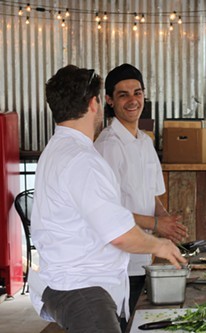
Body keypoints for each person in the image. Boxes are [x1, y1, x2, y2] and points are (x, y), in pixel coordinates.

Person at [29, 65, 187, 333]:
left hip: (70, 285)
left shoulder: (58, 149)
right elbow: (119, 233)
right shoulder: (84, 160)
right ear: (95, 103)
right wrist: (160, 245)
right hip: (84, 290)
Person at [94, 63, 189, 312]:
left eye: (137, 92)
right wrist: (158, 226)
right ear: (109, 101)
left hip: (144, 255)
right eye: (123, 94)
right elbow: (108, 212)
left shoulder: (145, 141)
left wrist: (166, 220)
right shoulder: (108, 146)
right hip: (118, 261)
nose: (132, 100)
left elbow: (151, 194)